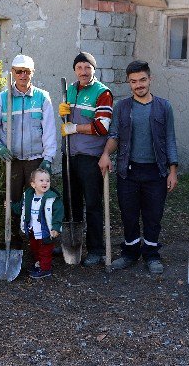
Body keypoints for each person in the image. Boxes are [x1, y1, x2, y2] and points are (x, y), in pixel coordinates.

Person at [98, 60, 179, 274]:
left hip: (156, 171)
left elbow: (170, 139)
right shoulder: (122, 108)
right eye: (133, 81)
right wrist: (106, 154)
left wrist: (172, 171)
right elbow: (114, 135)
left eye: (142, 80)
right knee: (129, 214)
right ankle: (130, 252)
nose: (138, 85)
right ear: (129, 83)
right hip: (128, 170)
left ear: (150, 79)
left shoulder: (164, 107)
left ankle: (151, 254)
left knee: (153, 215)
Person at [0, 54, 56, 247]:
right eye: (19, 72)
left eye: (27, 72)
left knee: (37, 203)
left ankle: (39, 246)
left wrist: (48, 159)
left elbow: (49, 131)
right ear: (13, 73)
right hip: (12, 161)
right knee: (12, 203)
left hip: (36, 161)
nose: (23, 75)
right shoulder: (3, 98)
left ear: (33, 73)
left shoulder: (42, 97)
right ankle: (13, 244)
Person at [58, 51, 114, 266]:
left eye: (87, 67)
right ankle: (73, 242)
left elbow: (102, 127)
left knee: (92, 204)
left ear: (94, 69)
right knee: (71, 202)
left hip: (91, 157)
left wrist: (74, 128)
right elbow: (65, 123)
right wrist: (62, 113)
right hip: (70, 155)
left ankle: (96, 249)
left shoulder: (103, 93)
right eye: (80, 67)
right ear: (75, 70)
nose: (83, 71)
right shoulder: (70, 90)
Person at [11, 168, 63, 279]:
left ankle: (45, 270)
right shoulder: (28, 196)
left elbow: (58, 214)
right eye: (41, 180)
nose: (45, 183)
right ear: (33, 184)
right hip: (33, 230)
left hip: (46, 231)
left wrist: (56, 228)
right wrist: (11, 206)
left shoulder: (52, 198)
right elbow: (21, 208)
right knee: (35, 249)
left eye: (47, 180)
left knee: (45, 250)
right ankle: (40, 264)